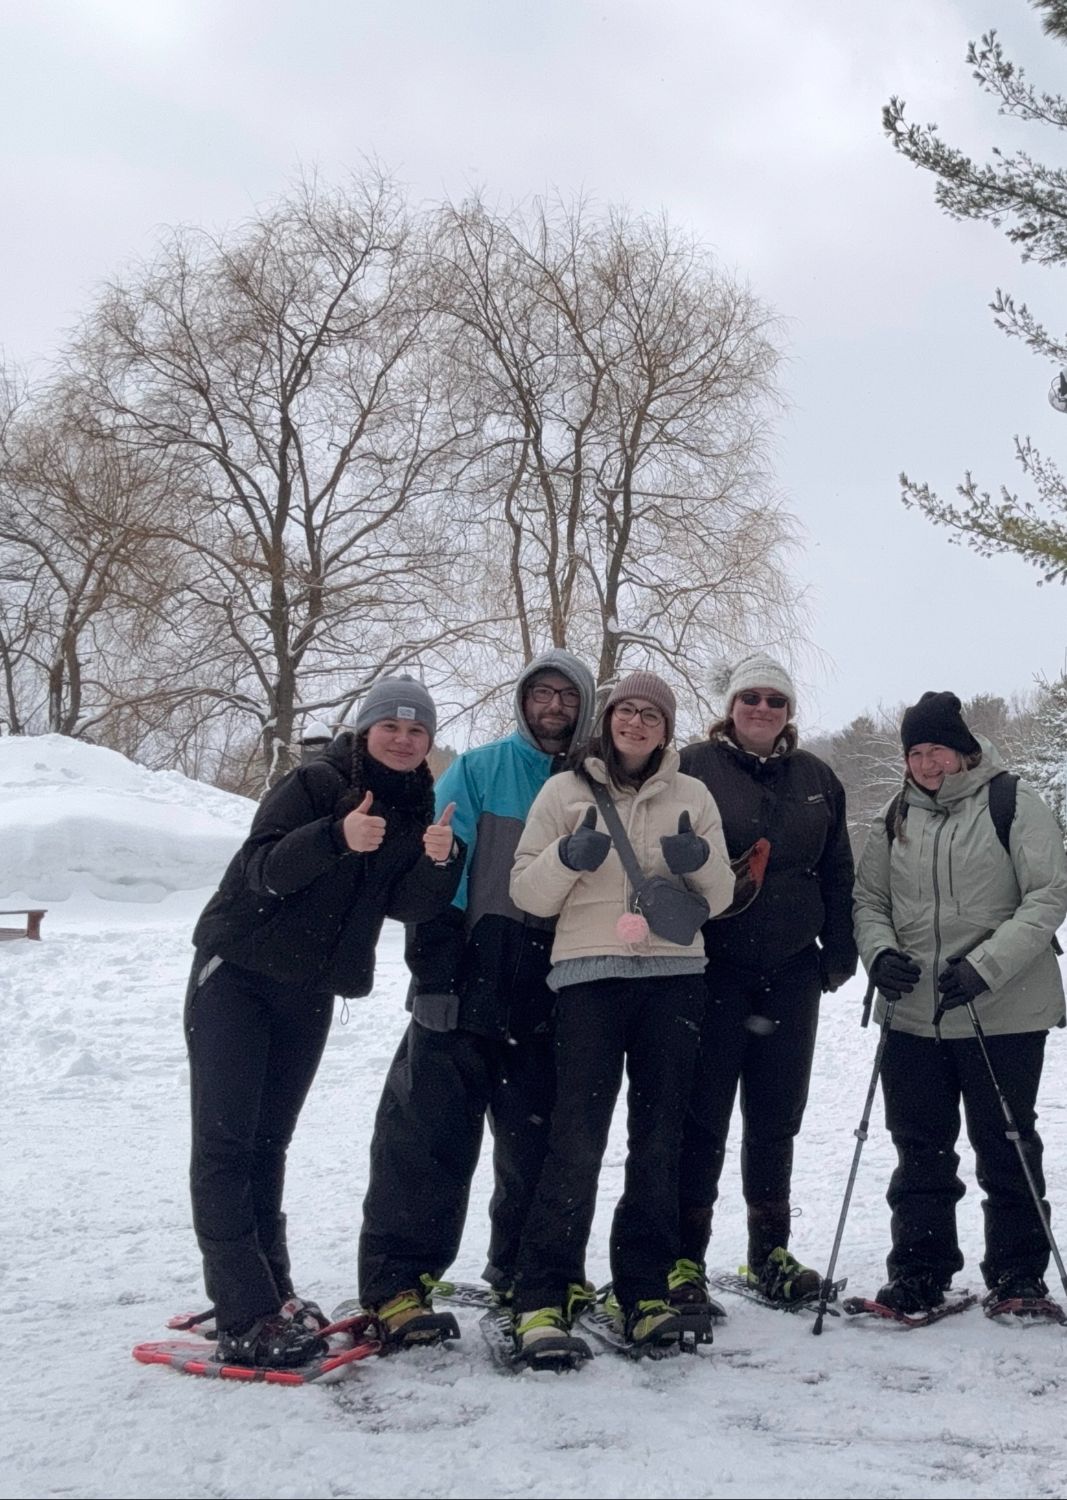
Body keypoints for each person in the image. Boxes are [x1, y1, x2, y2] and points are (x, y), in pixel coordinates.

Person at [185, 675, 463, 1368]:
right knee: (227, 1145)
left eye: (417, 730)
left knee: (268, 1144)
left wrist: (437, 863)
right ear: (365, 730)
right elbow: (261, 870)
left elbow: (406, 905)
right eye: (390, 726)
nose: (403, 739)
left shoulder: (416, 802)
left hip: (306, 991)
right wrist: (335, 835)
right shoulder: (315, 782)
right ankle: (244, 1310)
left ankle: (270, 1291)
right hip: (237, 976)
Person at [356, 649, 596, 1344]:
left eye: (566, 696)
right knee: (425, 1140)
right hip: (469, 978)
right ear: (523, 701)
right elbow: (434, 871)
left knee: (540, 1147)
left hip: (553, 989)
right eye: (541, 693)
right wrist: (432, 974)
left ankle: (529, 1273)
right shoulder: (482, 769)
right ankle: (399, 1284)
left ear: (582, 706)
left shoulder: (593, 784)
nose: (553, 705)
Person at [508, 671, 736, 1357]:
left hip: (673, 979)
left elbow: (719, 899)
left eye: (650, 715)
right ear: (607, 721)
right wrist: (564, 856)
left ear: (667, 729)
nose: (635, 723)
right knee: (575, 1139)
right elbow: (527, 893)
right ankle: (543, 1296)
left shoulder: (693, 794)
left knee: (659, 1140)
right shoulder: (563, 792)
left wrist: (696, 866)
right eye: (625, 712)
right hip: (588, 979)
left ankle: (642, 1292)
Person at [853, 690, 1067, 1315]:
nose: (926, 763)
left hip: (1003, 1010)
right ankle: (920, 1270)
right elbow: (869, 901)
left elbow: (1049, 894)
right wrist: (879, 954)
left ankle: (1019, 1274)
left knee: (1006, 1143)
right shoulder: (894, 814)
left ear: (964, 750)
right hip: (914, 1014)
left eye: (937, 749)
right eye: (916, 752)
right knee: (919, 1149)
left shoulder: (1013, 801)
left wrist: (985, 967)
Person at [673, 653, 858, 1309]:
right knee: (702, 1115)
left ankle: (768, 1252)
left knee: (776, 1115)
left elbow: (837, 869)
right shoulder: (692, 766)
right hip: (711, 967)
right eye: (748, 697)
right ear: (729, 706)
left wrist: (838, 952)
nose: (760, 708)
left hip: (790, 969)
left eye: (774, 701)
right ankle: (682, 1258)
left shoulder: (815, 778)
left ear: (788, 713)